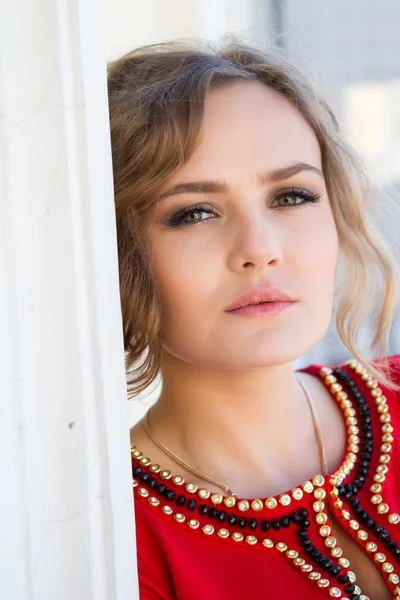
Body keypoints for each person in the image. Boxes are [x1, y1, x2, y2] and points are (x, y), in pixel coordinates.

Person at [107, 39, 400, 600]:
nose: (259, 249)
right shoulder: (112, 541)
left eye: (291, 196)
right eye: (193, 213)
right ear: (119, 252)